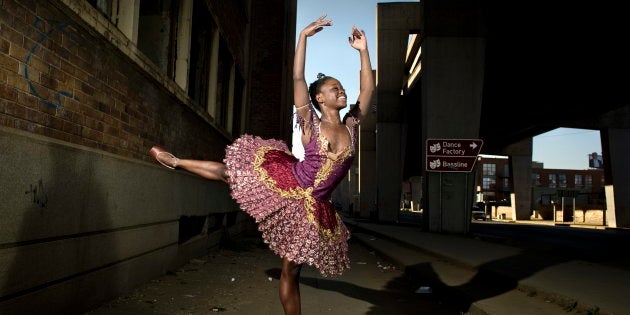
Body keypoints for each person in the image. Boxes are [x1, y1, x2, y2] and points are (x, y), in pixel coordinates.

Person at [149, 14, 374, 315]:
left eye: (342, 88)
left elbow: (368, 90)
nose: (342, 91)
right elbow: (297, 78)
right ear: (320, 98)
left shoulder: (352, 125)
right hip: (289, 182)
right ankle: (175, 161)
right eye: (335, 88)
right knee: (231, 174)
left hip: (316, 207)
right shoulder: (310, 122)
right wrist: (304, 36)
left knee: (292, 271)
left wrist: (362, 51)